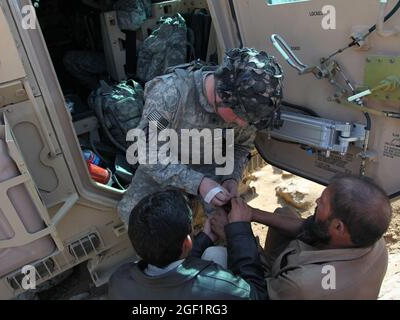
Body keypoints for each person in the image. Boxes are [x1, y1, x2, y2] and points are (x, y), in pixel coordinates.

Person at [118, 48, 283, 224]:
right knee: (135, 216)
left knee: (229, 220)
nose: (242, 123)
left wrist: (231, 177)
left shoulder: (245, 106)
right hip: (164, 163)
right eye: (238, 116)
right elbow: (146, 151)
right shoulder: (168, 94)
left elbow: (241, 146)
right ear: (222, 95)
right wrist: (198, 183)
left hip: (210, 162)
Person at [210, 174, 392, 300]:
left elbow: (257, 293)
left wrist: (234, 234)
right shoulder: (372, 239)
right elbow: (311, 228)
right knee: (286, 212)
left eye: (322, 204)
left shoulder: (302, 285)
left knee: (215, 255)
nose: (317, 202)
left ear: (338, 226)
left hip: (277, 291)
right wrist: (252, 213)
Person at [109, 190, 268, 300]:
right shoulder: (219, 287)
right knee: (218, 253)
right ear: (187, 242)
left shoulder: (119, 280)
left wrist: (204, 238)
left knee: (214, 251)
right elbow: (257, 295)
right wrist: (239, 231)